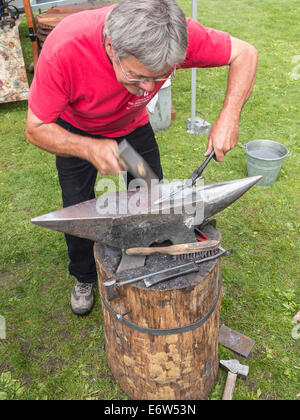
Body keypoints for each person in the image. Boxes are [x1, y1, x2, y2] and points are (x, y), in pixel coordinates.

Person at [26, 0, 258, 316]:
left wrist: (230, 116)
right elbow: (36, 128)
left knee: (153, 197)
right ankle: (83, 275)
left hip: (131, 127)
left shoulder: (173, 35)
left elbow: (245, 53)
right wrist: (89, 148)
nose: (147, 89)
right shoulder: (65, 48)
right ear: (110, 46)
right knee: (77, 206)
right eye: (137, 77)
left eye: (159, 77)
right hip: (75, 130)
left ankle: (152, 252)